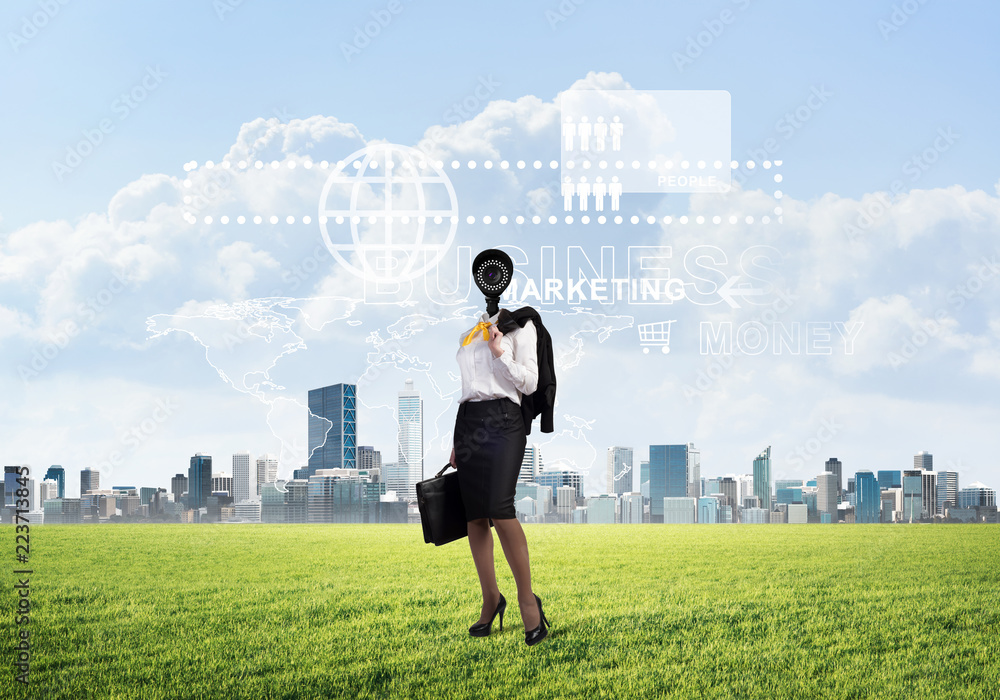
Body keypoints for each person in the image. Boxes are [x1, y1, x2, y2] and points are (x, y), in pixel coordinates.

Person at [450, 307, 551, 645]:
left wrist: (499, 353)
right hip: (468, 422)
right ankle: (491, 599)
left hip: (504, 420)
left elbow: (531, 382)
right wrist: (456, 441)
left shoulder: (520, 327)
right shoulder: (469, 333)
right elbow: (469, 388)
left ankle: (527, 600)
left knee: (499, 508)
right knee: (474, 515)